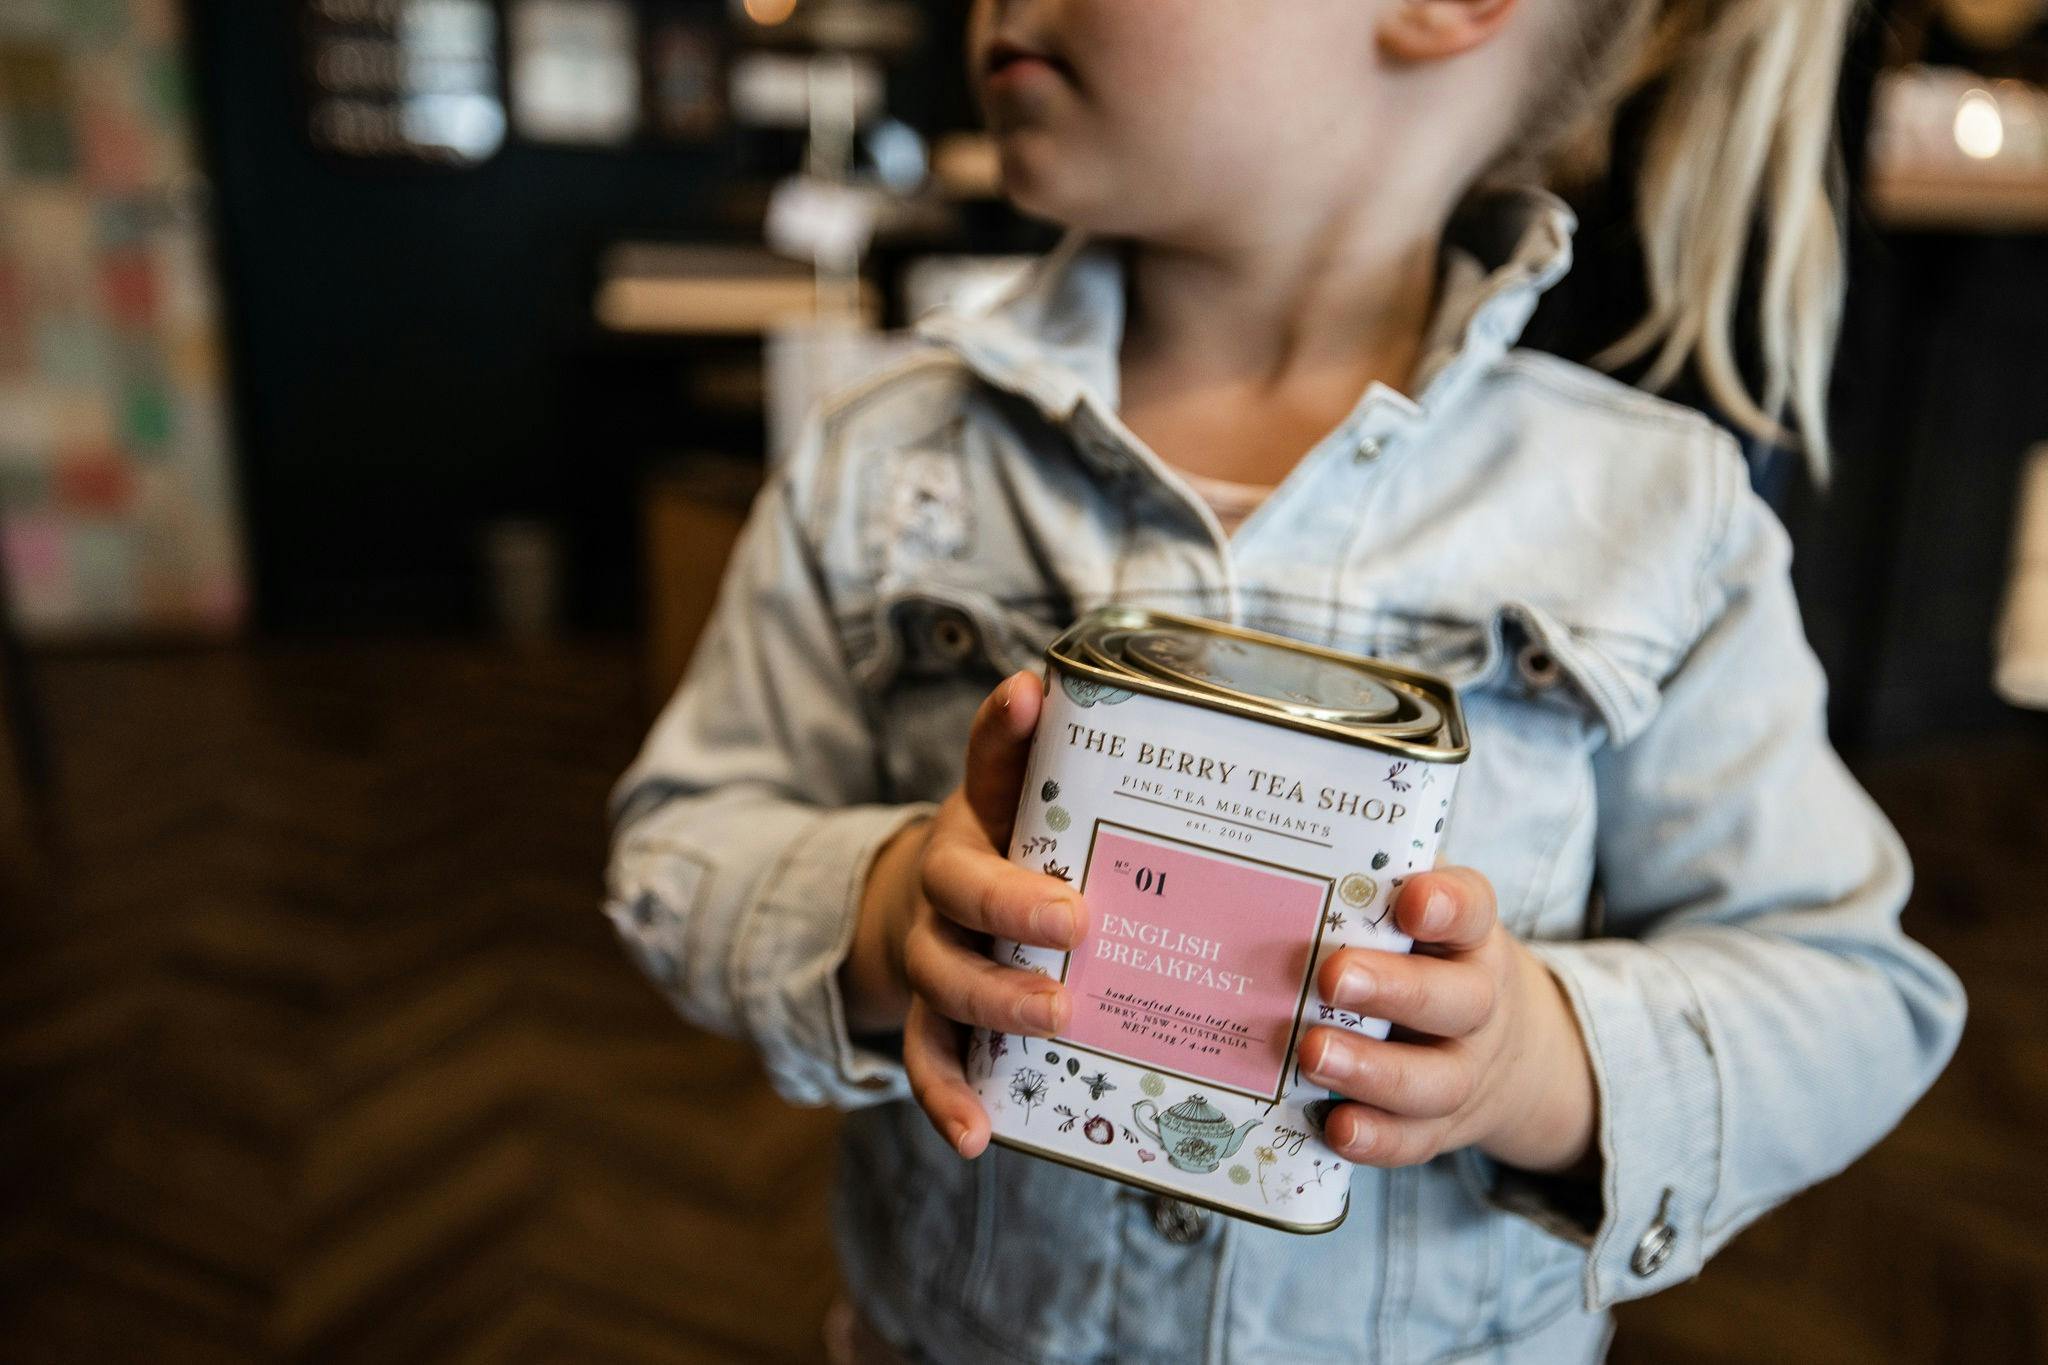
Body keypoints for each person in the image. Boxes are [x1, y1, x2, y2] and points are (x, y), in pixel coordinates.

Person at [604, 1, 1968, 1360]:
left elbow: (1853, 990)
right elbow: (682, 839)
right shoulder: (883, 460)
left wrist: (1543, 1058)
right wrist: (884, 907)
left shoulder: (1658, 517)